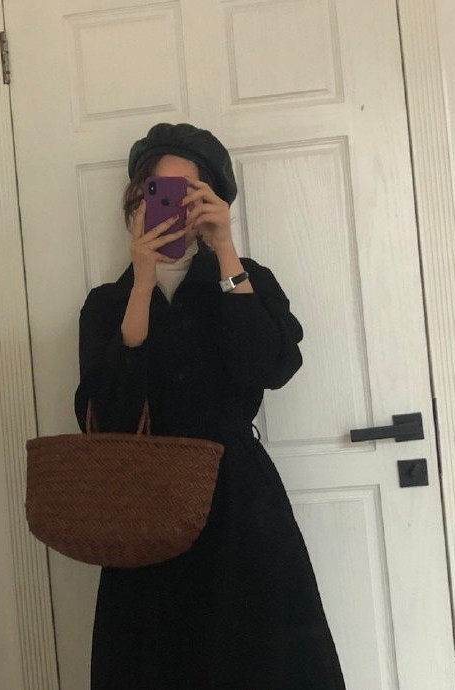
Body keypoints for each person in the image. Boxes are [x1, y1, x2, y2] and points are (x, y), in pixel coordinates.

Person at [74, 122, 346, 689]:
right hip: (144, 506)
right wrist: (142, 285)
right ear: (137, 200)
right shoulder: (108, 303)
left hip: (237, 502)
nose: (172, 206)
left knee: (260, 660)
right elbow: (105, 417)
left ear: (212, 201)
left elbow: (272, 368)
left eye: (189, 193)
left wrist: (226, 251)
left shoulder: (246, 280)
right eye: (158, 191)